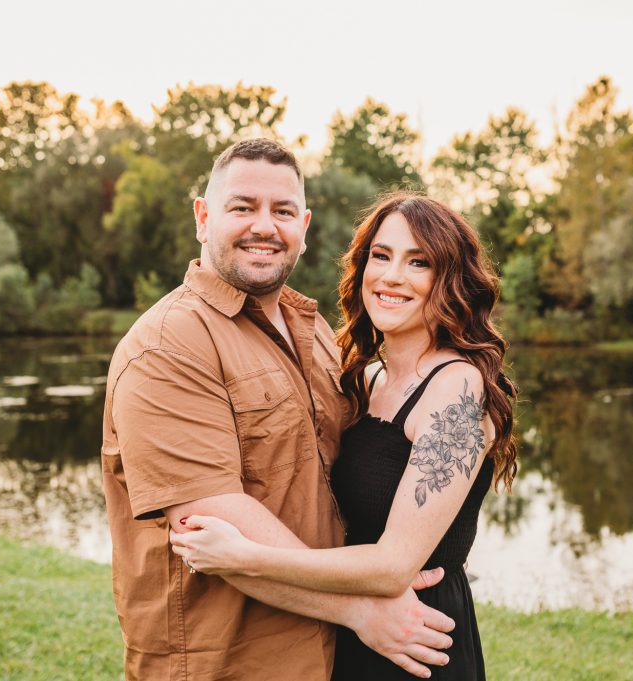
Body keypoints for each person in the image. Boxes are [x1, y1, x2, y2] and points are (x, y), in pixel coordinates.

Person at [102, 140, 456, 681]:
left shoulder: (313, 331)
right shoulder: (167, 346)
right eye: (242, 207)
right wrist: (359, 611)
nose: (264, 226)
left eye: (283, 211)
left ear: (304, 225)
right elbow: (212, 530)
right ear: (203, 217)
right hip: (224, 659)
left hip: (327, 656)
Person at [170, 193, 518, 680]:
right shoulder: (365, 378)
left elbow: (394, 565)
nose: (392, 276)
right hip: (355, 632)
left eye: (419, 262)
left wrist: (243, 557)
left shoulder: (455, 387)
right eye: (381, 255)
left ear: (450, 281)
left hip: (418, 637)